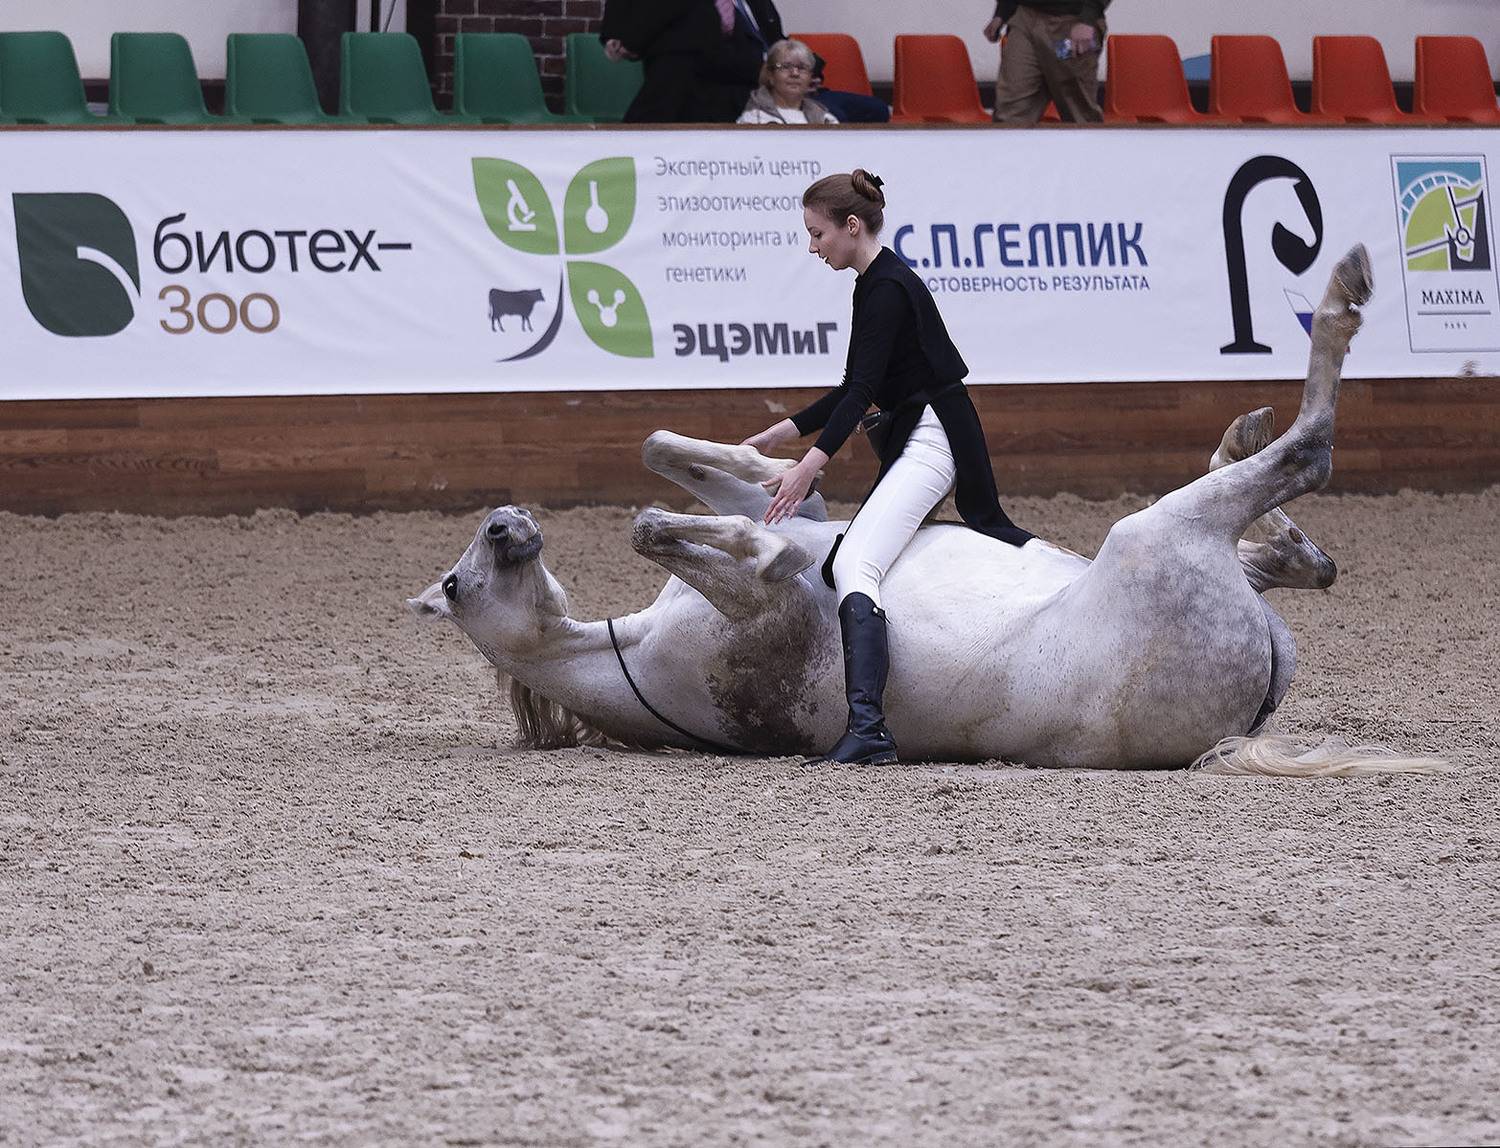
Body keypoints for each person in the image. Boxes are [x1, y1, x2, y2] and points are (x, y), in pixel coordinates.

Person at [741, 171, 1033, 766]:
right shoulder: (876, 281)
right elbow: (855, 388)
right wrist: (778, 433)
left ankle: (870, 728)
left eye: (817, 233)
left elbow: (863, 390)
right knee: (851, 557)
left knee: (854, 561)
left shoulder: (886, 288)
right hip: (925, 427)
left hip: (933, 434)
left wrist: (808, 468)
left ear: (852, 227)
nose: (812, 246)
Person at [984, 0, 1110, 124]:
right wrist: (1002, 12)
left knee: (1078, 110)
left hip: (1071, 22)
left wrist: (1087, 19)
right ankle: (1008, 142)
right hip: (1025, 17)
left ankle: (1084, 142)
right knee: (1011, 109)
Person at [737, 39, 839, 125]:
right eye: (785, 67)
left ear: (810, 77)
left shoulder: (826, 120)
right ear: (770, 75)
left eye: (802, 67)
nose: (795, 73)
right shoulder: (752, 120)